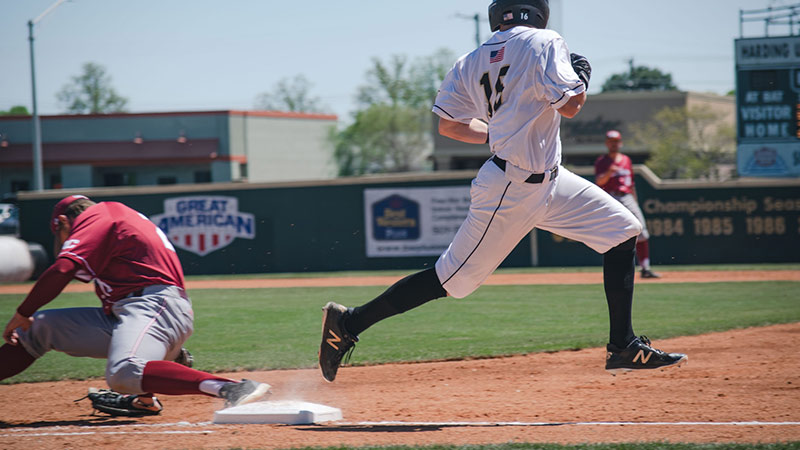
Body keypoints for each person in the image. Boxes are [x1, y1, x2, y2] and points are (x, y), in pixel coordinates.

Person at [319, 0, 686, 382]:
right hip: (511, 188)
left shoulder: (471, 60)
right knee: (452, 281)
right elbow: (572, 106)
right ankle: (348, 323)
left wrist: (498, 130)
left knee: (622, 231)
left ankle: (622, 345)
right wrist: (582, 77)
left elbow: (449, 126)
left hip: (551, 180)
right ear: (539, 11)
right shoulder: (544, 41)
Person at [1, 195, 270, 417]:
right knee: (39, 327)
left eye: (60, 233)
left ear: (62, 222)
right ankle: (144, 398)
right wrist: (29, 319)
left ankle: (233, 388)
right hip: (132, 311)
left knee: (123, 372)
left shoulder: (100, 216)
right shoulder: (112, 219)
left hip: (155, 306)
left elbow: (63, 268)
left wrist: (22, 312)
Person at [594, 130, 660, 279]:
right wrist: (609, 171)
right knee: (610, 234)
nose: (614, 144)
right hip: (610, 197)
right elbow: (599, 182)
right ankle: (613, 269)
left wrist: (634, 200)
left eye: (616, 141)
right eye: (611, 141)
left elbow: (631, 184)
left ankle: (645, 268)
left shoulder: (626, 160)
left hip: (627, 197)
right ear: (606, 143)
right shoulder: (602, 161)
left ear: (620, 143)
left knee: (641, 230)